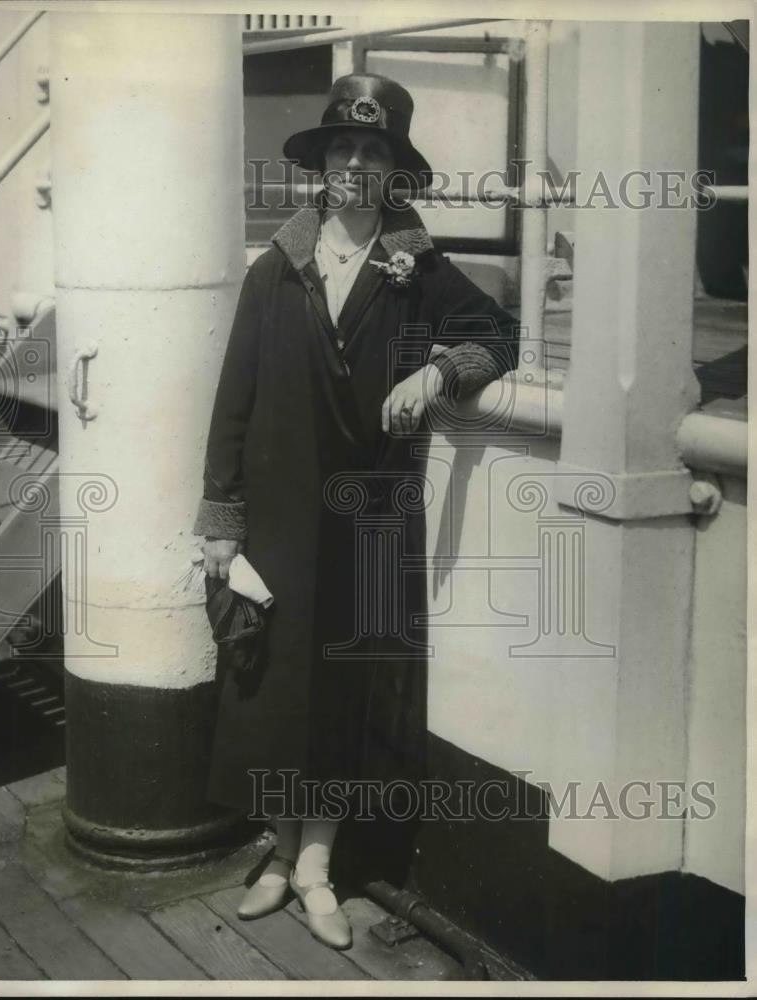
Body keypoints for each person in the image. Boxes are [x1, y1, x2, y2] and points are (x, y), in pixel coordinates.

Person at [194, 73, 519, 951]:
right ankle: (278, 849)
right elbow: (234, 396)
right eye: (341, 148)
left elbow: (497, 332)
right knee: (273, 684)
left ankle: (315, 866)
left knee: (344, 685)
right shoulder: (277, 269)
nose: (353, 164)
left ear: (391, 171)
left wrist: (436, 371)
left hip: (370, 512)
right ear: (321, 164)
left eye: (372, 152)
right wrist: (220, 522)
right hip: (281, 515)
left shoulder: (415, 267)